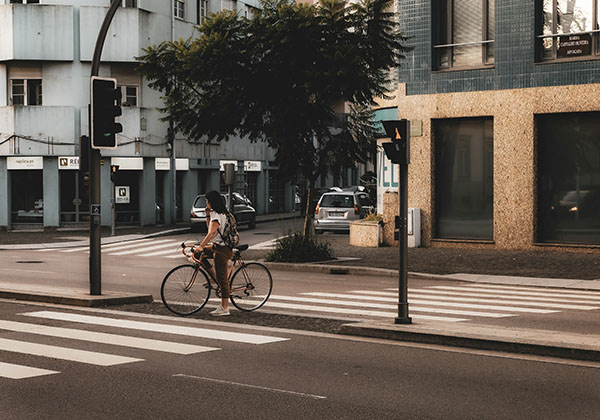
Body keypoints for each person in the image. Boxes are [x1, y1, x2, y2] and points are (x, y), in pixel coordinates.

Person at [194, 190, 234, 316]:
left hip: (222, 249)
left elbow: (211, 234)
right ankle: (213, 277)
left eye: (207, 201)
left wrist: (201, 246)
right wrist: (207, 215)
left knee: (223, 281)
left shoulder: (217, 216)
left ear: (211, 201)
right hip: (217, 246)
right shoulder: (218, 214)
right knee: (197, 254)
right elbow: (210, 230)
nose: (206, 203)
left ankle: (225, 308)